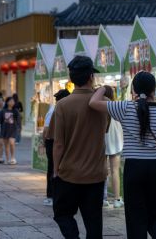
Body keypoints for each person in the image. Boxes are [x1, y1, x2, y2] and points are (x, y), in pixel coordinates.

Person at [89, 71, 156, 238]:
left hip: (134, 168)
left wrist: (104, 88)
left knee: (135, 216)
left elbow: (93, 102)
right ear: (154, 89)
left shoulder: (125, 108)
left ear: (133, 89)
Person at [52, 55, 106, 239]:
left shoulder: (63, 105)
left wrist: (56, 169)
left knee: (62, 214)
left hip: (69, 173)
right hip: (96, 173)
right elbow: (104, 130)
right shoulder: (103, 104)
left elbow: (59, 143)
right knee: (94, 222)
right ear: (91, 77)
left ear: (71, 78)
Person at [42, 89, 70, 207]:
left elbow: (46, 130)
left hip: (53, 141)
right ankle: (51, 195)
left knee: (54, 168)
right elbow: (46, 130)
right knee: (54, 168)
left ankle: (53, 195)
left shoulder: (54, 109)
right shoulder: (55, 110)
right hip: (54, 141)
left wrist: (45, 141)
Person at [102, 85, 124, 208]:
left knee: (103, 171)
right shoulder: (117, 107)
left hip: (103, 142)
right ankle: (116, 199)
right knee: (115, 171)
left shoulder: (100, 107)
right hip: (116, 143)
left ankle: (103, 198)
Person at [0, 97, 20, 165]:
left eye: (13, 101)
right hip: (4, 129)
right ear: (7, 102)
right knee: (6, 145)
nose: (12, 103)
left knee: (12, 142)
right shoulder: (3, 111)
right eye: (10, 101)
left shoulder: (15, 111)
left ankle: (12, 158)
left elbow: (18, 120)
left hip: (13, 129)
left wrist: (19, 128)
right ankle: (7, 159)